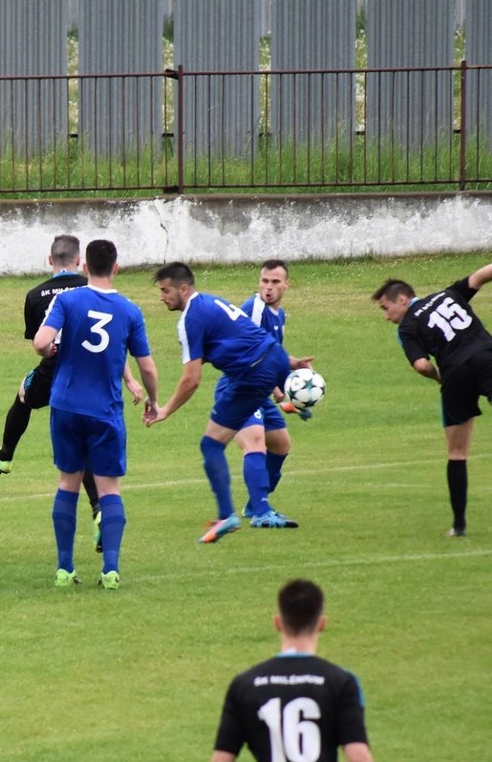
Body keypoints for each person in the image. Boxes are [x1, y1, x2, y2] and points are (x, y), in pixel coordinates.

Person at [0, 234, 144, 550]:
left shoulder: (36, 295)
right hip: (92, 373)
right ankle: (99, 507)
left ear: (50, 260)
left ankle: (5, 457)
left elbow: (40, 343)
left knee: (25, 394)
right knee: (85, 439)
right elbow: (111, 341)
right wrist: (130, 379)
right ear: (80, 263)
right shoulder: (91, 290)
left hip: (55, 371)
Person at [146, 263, 312, 544]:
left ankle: (228, 516)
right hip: (273, 360)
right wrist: (291, 365)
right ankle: (257, 508)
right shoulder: (213, 302)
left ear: (183, 289)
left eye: (165, 291)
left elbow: (191, 380)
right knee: (278, 443)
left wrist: (165, 410)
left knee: (211, 444)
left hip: (250, 376)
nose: (162, 297)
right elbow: (253, 339)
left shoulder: (190, 319)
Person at [32, 240, 158, 589]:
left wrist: (52, 349)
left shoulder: (67, 300)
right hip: (104, 410)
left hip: (66, 405)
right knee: (109, 490)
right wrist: (153, 400)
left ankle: (64, 569)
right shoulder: (130, 311)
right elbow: (147, 367)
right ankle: (110, 571)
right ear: (116, 268)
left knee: (67, 483)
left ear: (84, 267)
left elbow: (40, 343)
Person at [373, 261, 492, 538]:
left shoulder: (406, 328)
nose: (386, 317)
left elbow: (422, 365)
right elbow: (480, 275)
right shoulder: (448, 293)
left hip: (455, 375)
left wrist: (440, 378)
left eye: (386, 308)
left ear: (402, 299)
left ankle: (459, 526)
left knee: (457, 452)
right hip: (486, 357)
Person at [211, 579, 373, 762]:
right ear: (322, 623)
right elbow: (358, 755)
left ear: (277, 623)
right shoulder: (342, 681)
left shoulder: (244, 684)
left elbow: (221, 758)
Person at [222, 260, 311, 529]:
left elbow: (272, 355)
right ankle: (261, 513)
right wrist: (279, 392)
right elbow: (248, 355)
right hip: (239, 388)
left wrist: (293, 368)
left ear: (287, 284)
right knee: (255, 444)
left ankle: (254, 504)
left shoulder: (278, 315)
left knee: (281, 446)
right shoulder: (254, 310)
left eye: (275, 282)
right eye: (265, 281)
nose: (269, 287)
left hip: (258, 390)